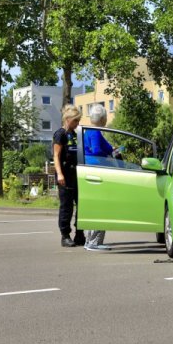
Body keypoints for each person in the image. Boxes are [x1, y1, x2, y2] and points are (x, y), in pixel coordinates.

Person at [82, 104, 115, 252]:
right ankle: (94, 242)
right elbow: (96, 151)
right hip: (98, 171)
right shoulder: (95, 133)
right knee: (101, 206)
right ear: (102, 118)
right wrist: (109, 157)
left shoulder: (90, 132)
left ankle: (90, 240)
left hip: (90, 171)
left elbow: (104, 147)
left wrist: (111, 150)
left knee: (95, 206)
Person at [53, 105, 84, 248]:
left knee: (82, 205)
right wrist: (59, 174)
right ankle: (65, 235)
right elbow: (56, 156)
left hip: (78, 174)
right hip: (65, 175)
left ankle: (80, 233)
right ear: (68, 119)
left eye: (78, 121)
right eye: (75, 121)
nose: (77, 123)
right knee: (67, 207)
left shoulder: (76, 135)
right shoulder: (60, 134)